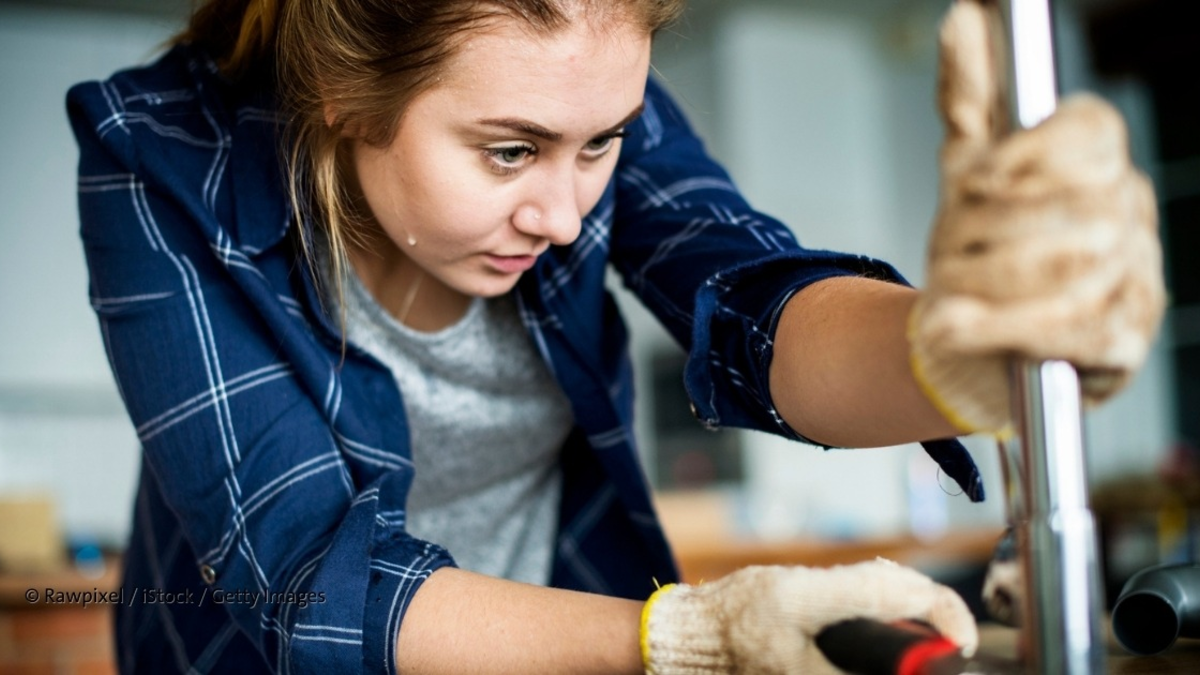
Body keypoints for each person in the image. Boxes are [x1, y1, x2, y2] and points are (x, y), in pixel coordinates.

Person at [66, 0, 1162, 672]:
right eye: (508, 153)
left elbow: (750, 301)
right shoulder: (157, 155)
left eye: (602, 147)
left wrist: (943, 352)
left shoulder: (576, 90)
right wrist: (681, 640)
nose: (565, 214)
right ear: (348, 99)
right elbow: (308, 575)